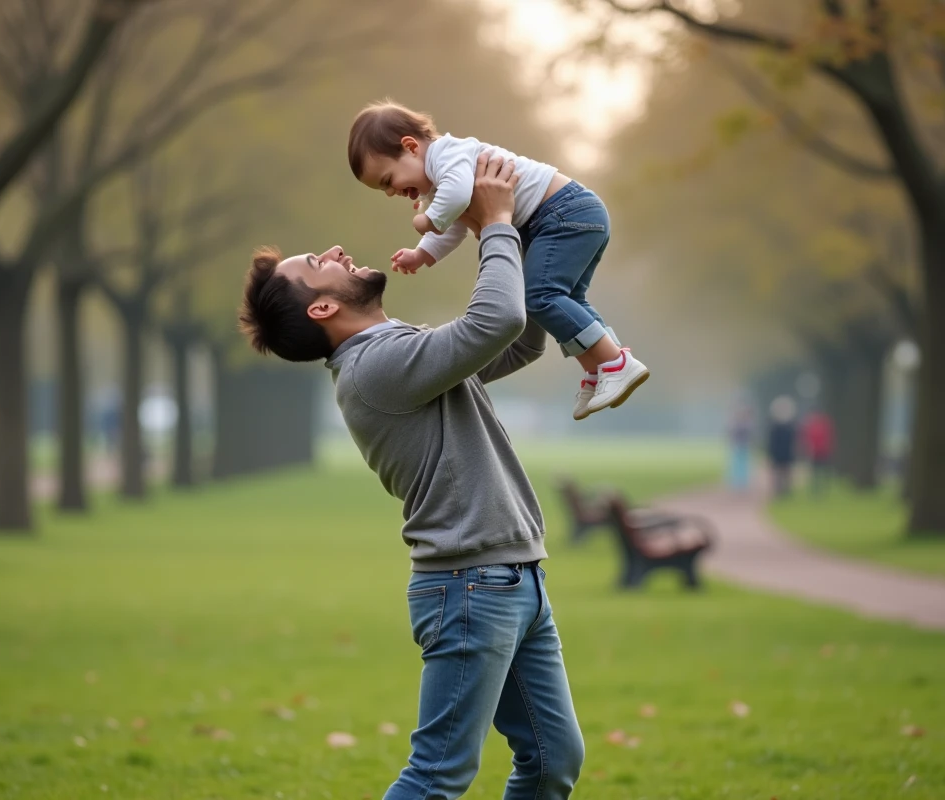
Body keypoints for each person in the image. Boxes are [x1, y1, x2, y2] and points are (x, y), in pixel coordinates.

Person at [238, 154, 585, 799]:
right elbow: (496, 321)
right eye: (318, 262)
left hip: (513, 578)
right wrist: (497, 224)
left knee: (552, 762)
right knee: (437, 775)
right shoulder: (376, 368)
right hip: (471, 585)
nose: (336, 251)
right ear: (321, 308)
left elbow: (518, 341)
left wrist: (532, 238)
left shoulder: (395, 350)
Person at [346, 99, 648, 422]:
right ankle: (600, 368)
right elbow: (455, 226)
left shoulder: (448, 155)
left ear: (410, 147)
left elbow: (456, 197)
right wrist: (422, 253)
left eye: (387, 180)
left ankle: (616, 364)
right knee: (565, 301)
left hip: (563, 214)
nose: (391, 192)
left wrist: (427, 220)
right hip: (562, 219)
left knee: (540, 297)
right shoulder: (438, 182)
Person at [766, 396, 798, 498]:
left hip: (783, 453)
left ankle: (783, 490)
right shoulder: (786, 427)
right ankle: (781, 490)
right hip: (781, 454)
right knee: (781, 474)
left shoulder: (783, 427)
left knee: (784, 473)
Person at [800, 408, 836, 496]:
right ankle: (817, 489)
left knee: (822, 471)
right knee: (816, 472)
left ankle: (823, 488)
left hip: (822, 452)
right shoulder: (813, 425)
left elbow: (828, 438)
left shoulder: (821, 425)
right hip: (815, 453)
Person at [726, 402, 754, 492]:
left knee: (743, 465)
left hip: (744, 446)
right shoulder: (737, 424)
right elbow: (731, 434)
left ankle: (742, 482)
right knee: (736, 465)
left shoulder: (746, 424)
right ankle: (736, 483)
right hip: (737, 446)